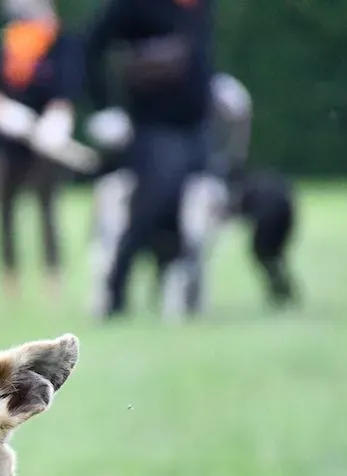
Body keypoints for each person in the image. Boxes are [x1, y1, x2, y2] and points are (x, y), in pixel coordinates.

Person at [81, 0, 218, 319]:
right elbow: (91, 46)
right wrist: (105, 106)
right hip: (154, 126)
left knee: (195, 212)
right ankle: (116, 286)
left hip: (197, 126)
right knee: (151, 206)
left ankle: (184, 292)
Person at [0, 0, 86, 303]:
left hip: (46, 143)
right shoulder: (6, 42)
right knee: (5, 214)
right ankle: (10, 282)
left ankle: (53, 280)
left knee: (47, 210)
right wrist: (2, 112)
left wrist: (57, 119)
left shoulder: (60, 43)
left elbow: (67, 91)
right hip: (7, 143)